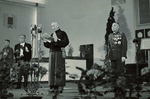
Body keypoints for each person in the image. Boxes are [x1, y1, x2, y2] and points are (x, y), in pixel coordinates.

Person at [42, 22, 69, 94]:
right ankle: (52, 86)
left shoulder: (63, 33)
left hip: (59, 52)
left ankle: (60, 85)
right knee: (52, 69)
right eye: (51, 26)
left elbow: (66, 42)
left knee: (59, 69)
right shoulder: (51, 34)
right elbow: (49, 45)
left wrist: (57, 41)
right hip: (52, 53)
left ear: (58, 25)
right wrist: (45, 41)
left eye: (53, 25)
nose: (52, 27)